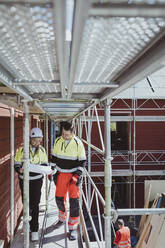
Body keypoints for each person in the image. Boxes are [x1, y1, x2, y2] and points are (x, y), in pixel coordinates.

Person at [51, 121, 86, 240]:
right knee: (59, 199)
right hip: (61, 174)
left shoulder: (78, 144)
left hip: (73, 177)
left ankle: (72, 228)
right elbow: (54, 158)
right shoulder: (57, 141)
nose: (64, 136)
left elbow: (82, 162)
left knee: (74, 203)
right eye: (63, 134)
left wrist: (76, 176)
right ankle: (62, 219)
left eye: (67, 134)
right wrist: (52, 171)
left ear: (72, 133)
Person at [14, 127, 48, 241]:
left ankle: (34, 230)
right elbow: (17, 163)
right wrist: (19, 170)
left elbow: (44, 164)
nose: (37, 143)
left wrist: (42, 168)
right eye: (35, 140)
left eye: (39, 140)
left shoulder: (42, 150)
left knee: (35, 205)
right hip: (24, 180)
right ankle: (27, 225)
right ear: (30, 139)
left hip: (37, 181)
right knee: (26, 204)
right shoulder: (22, 150)